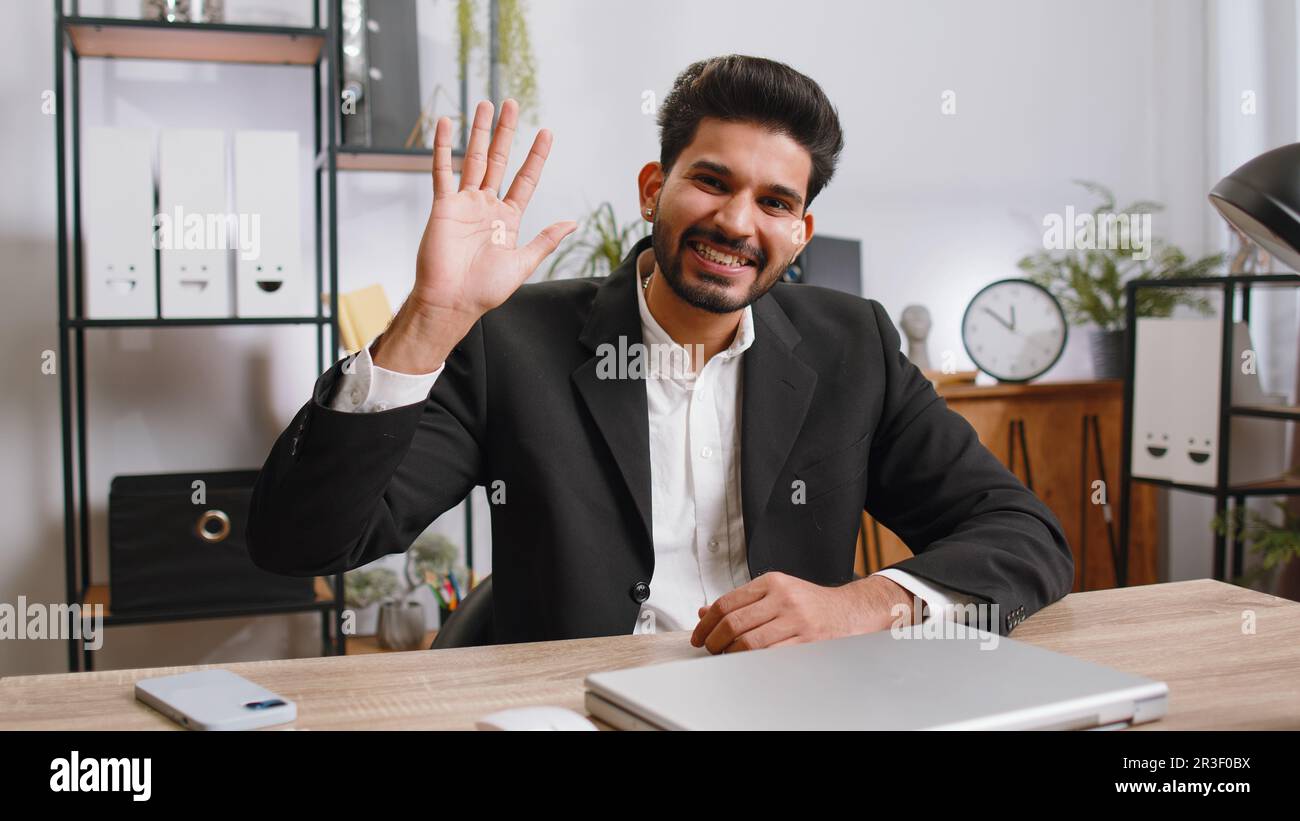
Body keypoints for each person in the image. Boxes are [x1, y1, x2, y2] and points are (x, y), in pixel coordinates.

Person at [248, 55, 1073, 654]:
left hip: (790, 708)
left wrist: (863, 604)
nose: (738, 222)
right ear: (654, 187)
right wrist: (430, 319)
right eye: (712, 181)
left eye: (775, 202)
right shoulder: (510, 344)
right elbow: (301, 544)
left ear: (800, 232)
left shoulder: (852, 345)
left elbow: (1024, 534)